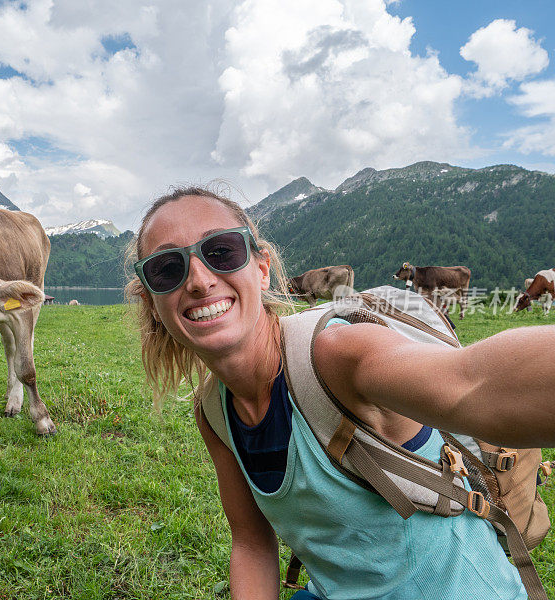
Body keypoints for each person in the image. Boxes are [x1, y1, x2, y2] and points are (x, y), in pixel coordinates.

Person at [126, 185, 555, 599]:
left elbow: (472, 383)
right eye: (168, 269)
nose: (200, 280)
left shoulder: (336, 354)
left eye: (222, 252)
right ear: (152, 302)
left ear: (261, 267)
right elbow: (251, 544)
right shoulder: (214, 411)